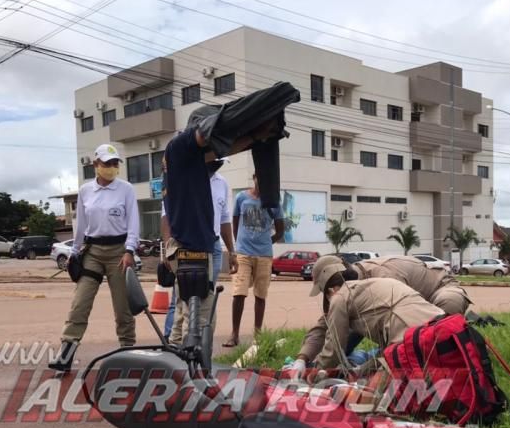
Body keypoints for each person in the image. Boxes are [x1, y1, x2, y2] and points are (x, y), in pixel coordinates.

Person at [287, 255, 469, 376]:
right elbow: (326, 324)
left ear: (331, 287)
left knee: (442, 325)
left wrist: (322, 368)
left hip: (440, 291)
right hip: (414, 324)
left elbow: (402, 323)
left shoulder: (383, 276)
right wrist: (302, 358)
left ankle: (449, 353)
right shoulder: (344, 292)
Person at [49, 143, 140, 371]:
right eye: (106, 163)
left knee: (123, 307)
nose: (111, 167)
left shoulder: (126, 189)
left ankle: (127, 351)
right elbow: (81, 225)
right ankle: (66, 354)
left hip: (119, 253)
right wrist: (75, 252)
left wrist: (130, 250)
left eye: (114, 163)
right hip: (93, 253)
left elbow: (134, 223)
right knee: (80, 303)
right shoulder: (85, 191)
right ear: (95, 165)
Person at [311, 266, 445, 370]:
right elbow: (387, 350)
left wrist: (315, 371)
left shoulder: (339, 297)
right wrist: (363, 370)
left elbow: (334, 349)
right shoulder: (377, 285)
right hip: (439, 325)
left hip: (414, 336)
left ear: (330, 291)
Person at [163, 158, 237, 344]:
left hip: (212, 245)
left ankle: (181, 348)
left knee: (199, 301)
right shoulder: (182, 178)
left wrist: (232, 251)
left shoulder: (221, 183)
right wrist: (167, 247)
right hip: (187, 246)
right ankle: (186, 351)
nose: (217, 166)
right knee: (188, 302)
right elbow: (166, 215)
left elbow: (225, 218)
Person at [222, 173, 285, 347]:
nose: (261, 183)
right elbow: (234, 222)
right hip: (243, 253)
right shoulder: (241, 197)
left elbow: (280, 230)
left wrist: (266, 242)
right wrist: (236, 247)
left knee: (260, 295)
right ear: (254, 178)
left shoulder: (273, 201)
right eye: (259, 179)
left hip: (264, 255)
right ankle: (234, 334)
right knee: (239, 293)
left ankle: (258, 336)